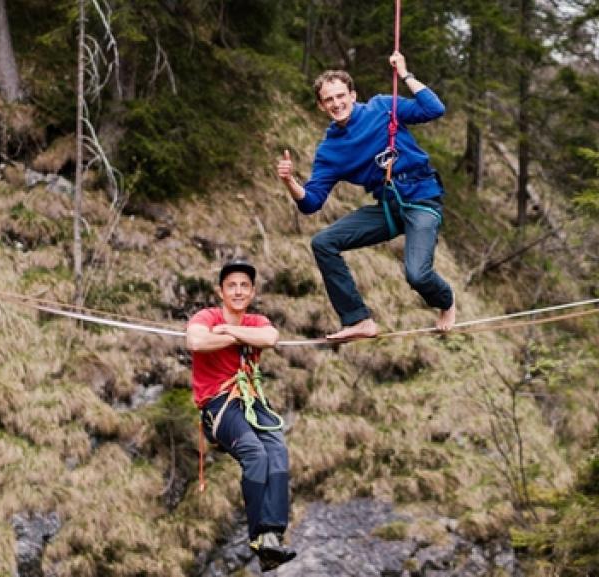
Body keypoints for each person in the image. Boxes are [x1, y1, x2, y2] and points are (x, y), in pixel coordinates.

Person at [276, 51, 456, 341]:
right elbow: (311, 203)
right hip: (388, 208)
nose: (336, 103)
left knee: (417, 275)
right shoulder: (330, 150)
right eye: (329, 100)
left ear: (353, 95)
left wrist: (405, 74)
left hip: (421, 197)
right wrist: (289, 181)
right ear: (321, 106)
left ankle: (446, 301)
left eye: (340, 96)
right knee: (323, 242)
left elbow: (434, 109)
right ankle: (359, 320)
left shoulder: (382, 107)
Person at [185, 259, 296, 571]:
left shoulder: (255, 321)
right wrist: (239, 336)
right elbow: (196, 341)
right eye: (231, 286)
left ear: (252, 292)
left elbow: (270, 338)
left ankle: (272, 534)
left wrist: (230, 331)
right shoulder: (207, 317)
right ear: (220, 291)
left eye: (244, 286)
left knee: (277, 450)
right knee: (255, 454)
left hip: (251, 401)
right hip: (219, 404)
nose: (237, 291)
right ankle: (259, 536)